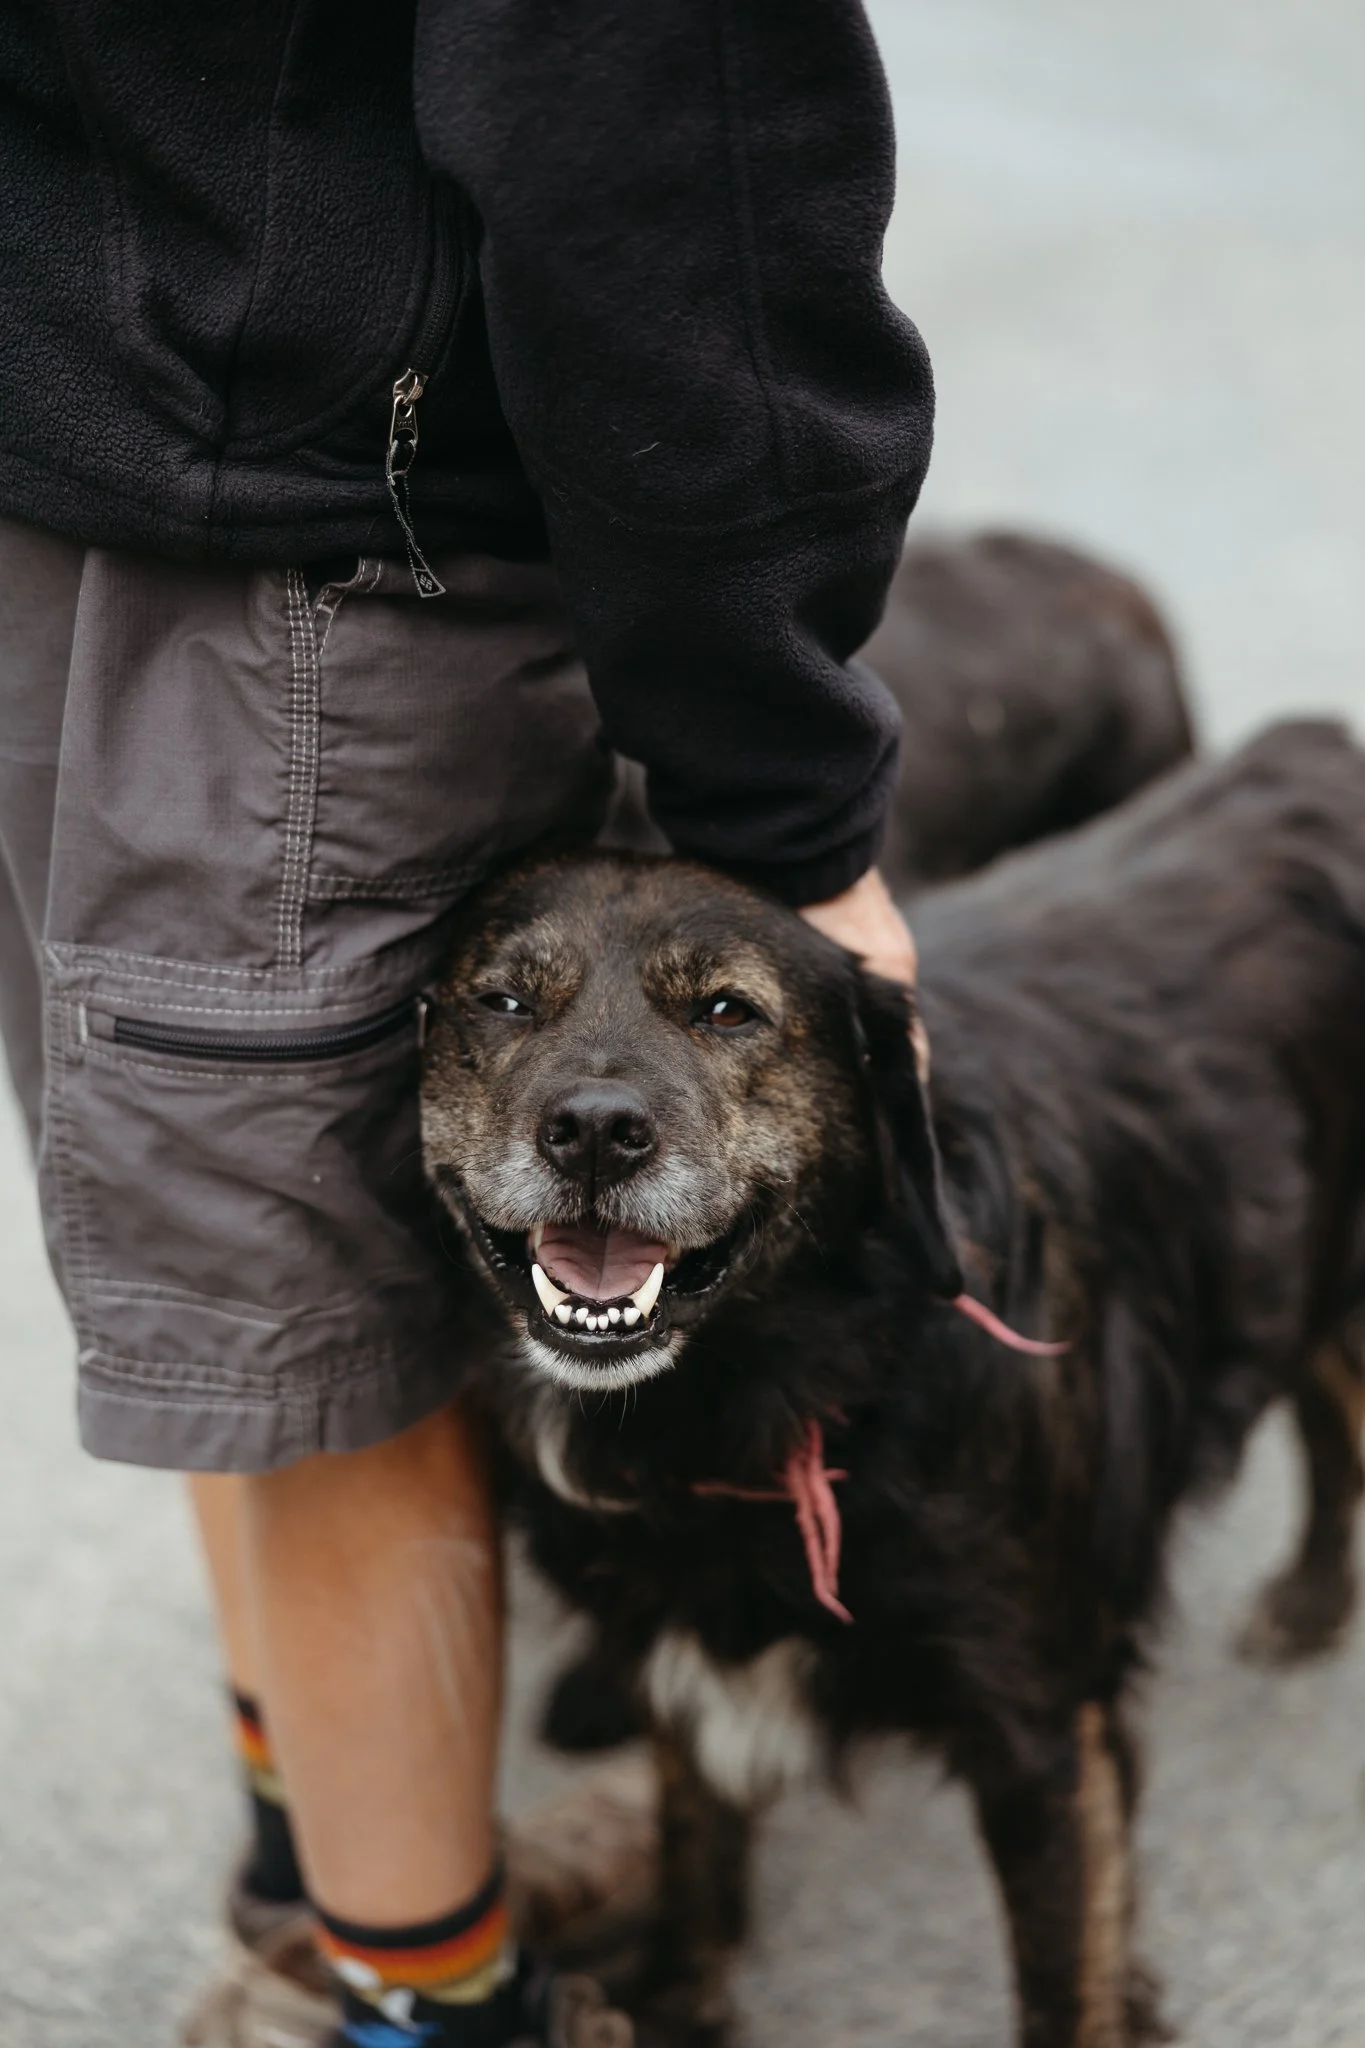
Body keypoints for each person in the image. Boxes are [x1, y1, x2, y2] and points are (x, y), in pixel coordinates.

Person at [0, 4, 929, 2045]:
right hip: (316, 543)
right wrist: (791, 802)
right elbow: (659, 140)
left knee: (219, 1261)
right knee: (349, 1342)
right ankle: (428, 1996)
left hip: (75, 438)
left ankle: (307, 1872)